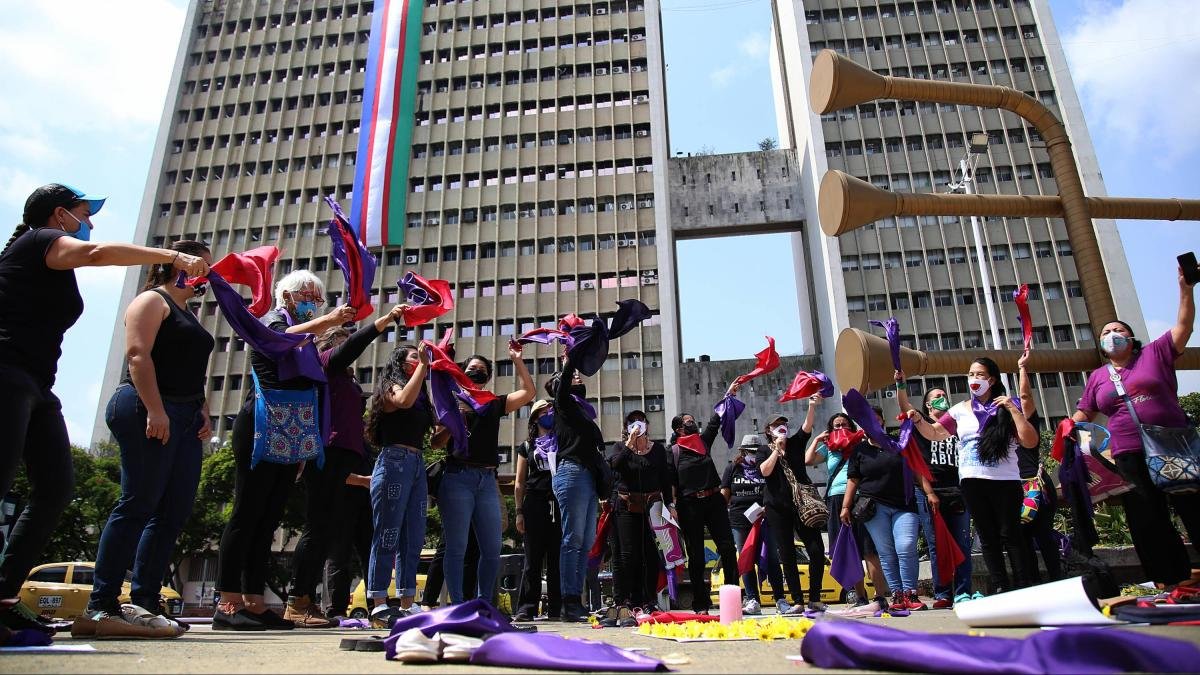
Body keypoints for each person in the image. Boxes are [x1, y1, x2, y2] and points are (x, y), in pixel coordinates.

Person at [0, 184, 209, 634]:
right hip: (6, 373)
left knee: (55, 488)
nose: (89, 222)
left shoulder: (50, 267)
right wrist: (170, 256)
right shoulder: (36, 241)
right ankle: (101, 602)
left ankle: (3, 595)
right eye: (83, 213)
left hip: (38, 385)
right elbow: (95, 252)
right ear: (60, 216)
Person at [81, 240, 215, 637]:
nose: (207, 273)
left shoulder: (189, 313)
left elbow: (189, 368)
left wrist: (203, 410)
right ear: (180, 264)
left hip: (186, 415)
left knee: (172, 512)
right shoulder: (152, 302)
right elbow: (138, 356)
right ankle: (100, 605)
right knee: (138, 502)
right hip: (146, 408)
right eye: (203, 265)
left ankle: (143, 601)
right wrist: (155, 409)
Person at [213, 270, 356, 631]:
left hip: (290, 430)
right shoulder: (273, 321)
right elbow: (277, 340)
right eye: (307, 295)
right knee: (247, 512)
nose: (313, 303)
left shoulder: (310, 339)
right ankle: (228, 601)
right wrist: (327, 320)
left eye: (318, 298)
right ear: (288, 296)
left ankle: (254, 601)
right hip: (261, 423)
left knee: (268, 517)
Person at [1073, 266, 1200, 587]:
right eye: (1105, 333)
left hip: (1172, 444)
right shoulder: (1098, 377)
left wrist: (1185, 289)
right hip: (1127, 454)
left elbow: (1183, 326)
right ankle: (1170, 581)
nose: (1111, 335)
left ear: (1131, 337)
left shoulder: (1154, 353)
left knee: (1193, 508)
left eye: (1117, 330)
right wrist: (1066, 434)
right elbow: (1084, 413)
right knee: (1147, 520)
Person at [283, 304, 408, 626]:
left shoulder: (344, 379)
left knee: (326, 531)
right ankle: (298, 601)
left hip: (345, 454)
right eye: (339, 340)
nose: (346, 345)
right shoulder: (324, 365)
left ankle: (314, 602)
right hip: (328, 452)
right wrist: (385, 321)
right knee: (318, 530)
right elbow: (356, 344)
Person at [911, 357, 1038, 595]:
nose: (974, 379)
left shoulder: (1006, 406)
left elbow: (1029, 441)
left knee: (1010, 534)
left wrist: (1013, 408)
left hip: (1005, 480)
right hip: (971, 480)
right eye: (970, 375)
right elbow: (935, 433)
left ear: (992, 379)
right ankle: (1000, 585)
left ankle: (1023, 586)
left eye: (980, 375)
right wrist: (918, 419)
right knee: (987, 537)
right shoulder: (959, 409)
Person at [439, 346, 536, 604]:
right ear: (462, 372)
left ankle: (483, 605)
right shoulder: (452, 399)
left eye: (482, 370)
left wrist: (517, 361)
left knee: (493, 548)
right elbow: (436, 441)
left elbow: (529, 393)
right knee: (457, 547)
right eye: (472, 369)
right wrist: (452, 422)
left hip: (486, 481)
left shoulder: (493, 402)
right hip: (457, 476)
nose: (476, 372)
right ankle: (458, 605)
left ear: (488, 376)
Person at [363, 344, 436, 626]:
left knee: (414, 535)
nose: (420, 360)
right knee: (388, 532)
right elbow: (403, 401)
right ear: (400, 362)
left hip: (417, 463)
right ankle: (379, 601)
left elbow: (429, 421)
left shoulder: (421, 394)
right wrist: (423, 366)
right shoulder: (391, 387)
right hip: (394, 460)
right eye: (414, 356)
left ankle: (407, 602)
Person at [841, 405, 938, 612]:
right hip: (874, 508)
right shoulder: (859, 449)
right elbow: (853, 479)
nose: (872, 424)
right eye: (867, 420)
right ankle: (897, 595)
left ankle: (910, 592)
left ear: (883, 421)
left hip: (904, 504)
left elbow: (916, 470)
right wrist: (845, 506)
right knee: (885, 552)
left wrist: (929, 493)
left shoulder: (899, 443)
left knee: (906, 545)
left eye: (876, 419)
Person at [895, 377, 972, 607]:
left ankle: (963, 591)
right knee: (937, 544)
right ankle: (943, 594)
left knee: (962, 542)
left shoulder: (956, 424)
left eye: (943, 395)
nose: (942, 399)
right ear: (928, 405)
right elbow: (905, 406)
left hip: (958, 490)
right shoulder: (924, 425)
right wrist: (900, 385)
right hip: (930, 490)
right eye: (936, 397)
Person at [669, 383, 742, 614]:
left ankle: (732, 599)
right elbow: (670, 482)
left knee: (728, 549)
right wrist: (671, 505)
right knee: (697, 557)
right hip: (689, 505)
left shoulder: (703, 442)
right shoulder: (673, 452)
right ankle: (701, 604)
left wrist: (728, 394)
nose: (693, 423)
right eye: (689, 421)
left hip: (714, 502)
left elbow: (715, 420)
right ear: (680, 428)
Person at [547, 357, 605, 623]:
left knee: (585, 542)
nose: (579, 376)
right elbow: (561, 389)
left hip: (588, 477)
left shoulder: (582, 411)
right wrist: (569, 363)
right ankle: (568, 601)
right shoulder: (562, 405)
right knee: (572, 540)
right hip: (571, 473)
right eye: (573, 376)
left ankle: (576, 600)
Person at [756, 399, 826, 613]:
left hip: (803, 506)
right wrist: (777, 450)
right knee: (787, 554)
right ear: (768, 431)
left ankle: (814, 598)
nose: (781, 426)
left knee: (816, 550)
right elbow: (765, 472)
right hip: (777, 508)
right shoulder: (763, 450)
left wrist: (812, 406)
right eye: (776, 424)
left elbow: (807, 427)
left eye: (783, 423)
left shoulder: (795, 443)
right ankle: (797, 601)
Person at [609, 410, 674, 622]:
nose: (637, 425)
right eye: (632, 422)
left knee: (651, 554)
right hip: (627, 506)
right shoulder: (620, 448)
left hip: (652, 506)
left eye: (641, 421)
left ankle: (649, 599)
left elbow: (665, 478)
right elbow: (615, 466)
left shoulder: (657, 450)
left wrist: (670, 504)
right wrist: (630, 443)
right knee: (630, 555)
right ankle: (630, 601)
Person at [804, 410, 870, 607]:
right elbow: (808, 460)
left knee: (863, 548)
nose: (841, 428)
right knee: (843, 547)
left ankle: (873, 593)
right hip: (835, 497)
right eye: (836, 426)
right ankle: (858, 594)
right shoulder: (829, 448)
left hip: (859, 497)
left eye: (844, 425)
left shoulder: (860, 443)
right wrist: (817, 440)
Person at [722, 434, 785, 615]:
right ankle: (752, 599)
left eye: (756, 452)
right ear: (742, 451)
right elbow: (724, 495)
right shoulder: (733, 468)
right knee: (746, 558)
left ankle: (780, 599)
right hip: (740, 521)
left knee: (771, 557)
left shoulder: (768, 467)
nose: (753, 455)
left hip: (766, 519)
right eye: (749, 452)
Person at [513, 400, 561, 621]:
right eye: (543, 411)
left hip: (559, 503)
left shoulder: (563, 441)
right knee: (532, 558)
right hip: (534, 503)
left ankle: (556, 608)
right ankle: (526, 608)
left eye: (550, 410)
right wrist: (519, 511)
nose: (548, 413)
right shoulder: (526, 446)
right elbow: (519, 482)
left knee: (556, 559)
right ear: (534, 418)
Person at [323, 454, 374, 620]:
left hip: (367, 502)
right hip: (341, 501)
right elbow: (330, 471)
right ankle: (336, 610)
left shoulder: (366, 442)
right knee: (339, 556)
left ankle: (376, 606)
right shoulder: (337, 434)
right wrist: (362, 480)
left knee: (371, 557)